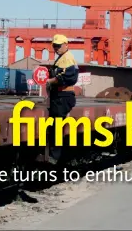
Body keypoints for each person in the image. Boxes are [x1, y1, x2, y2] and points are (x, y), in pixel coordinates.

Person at [43, 34, 79, 165]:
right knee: (54, 125)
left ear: (66, 45)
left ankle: (55, 156)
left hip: (63, 96)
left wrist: (50, 81)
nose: (56, 48)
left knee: (58, 126)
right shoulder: (62, 58)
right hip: (58, 96)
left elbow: (68, 77)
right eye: (54, 46)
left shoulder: (67, 59)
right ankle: (55, 154)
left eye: (58, 45)